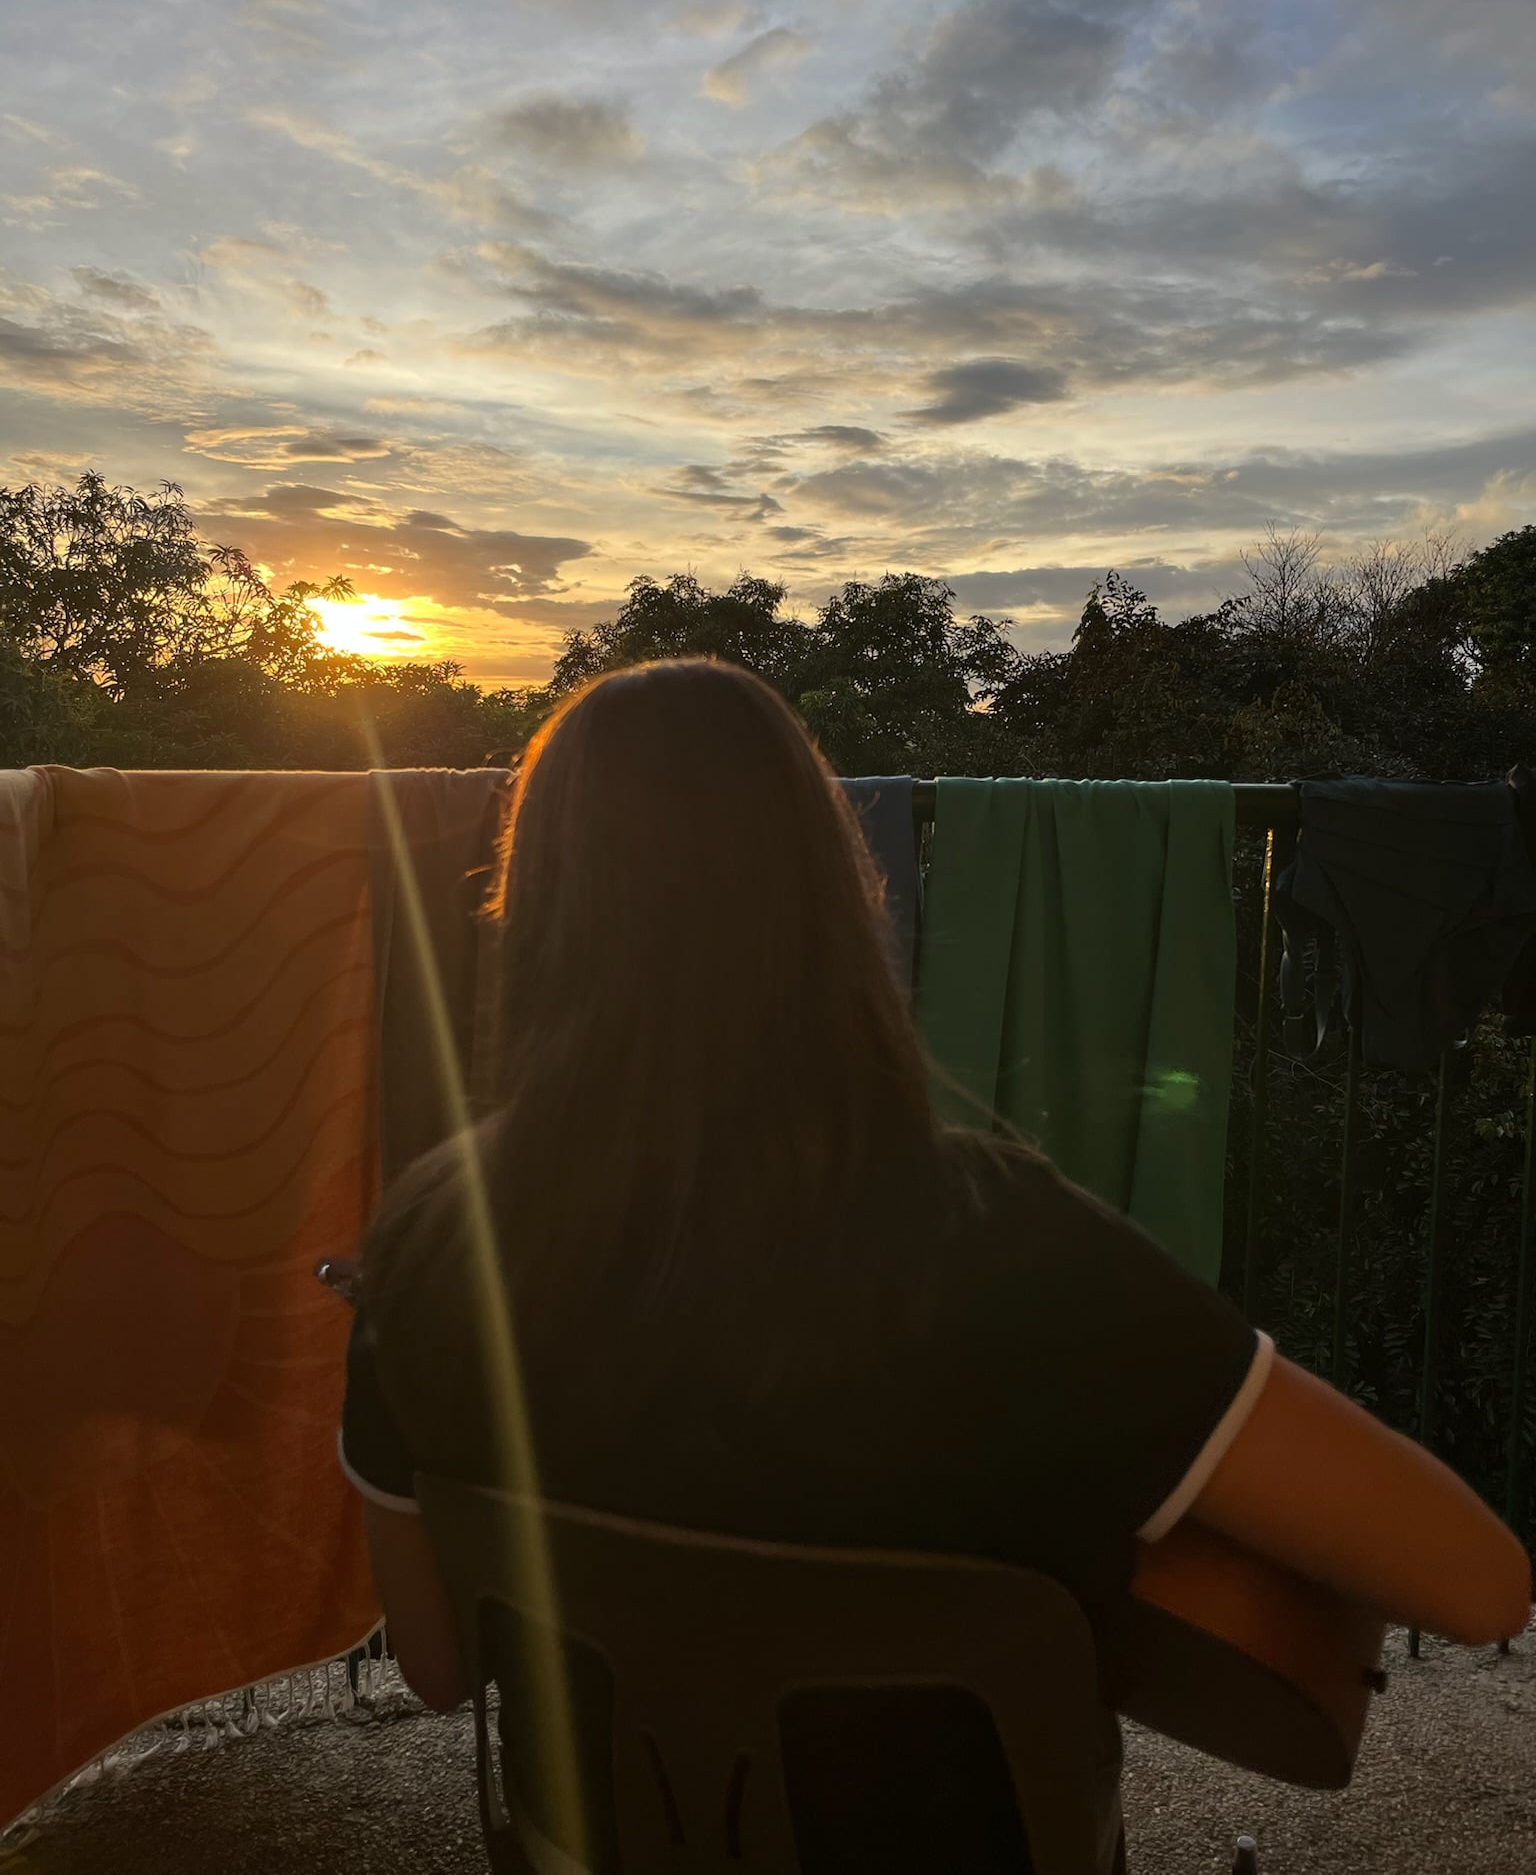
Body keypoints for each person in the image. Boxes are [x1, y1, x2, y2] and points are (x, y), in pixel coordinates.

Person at [339, 658, 1531, 1874]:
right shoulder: (1014, 1248)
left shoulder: (426, 1245)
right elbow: (1480, 1585)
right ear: (836, 898)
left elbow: (435, 1665)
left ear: (534, 911)